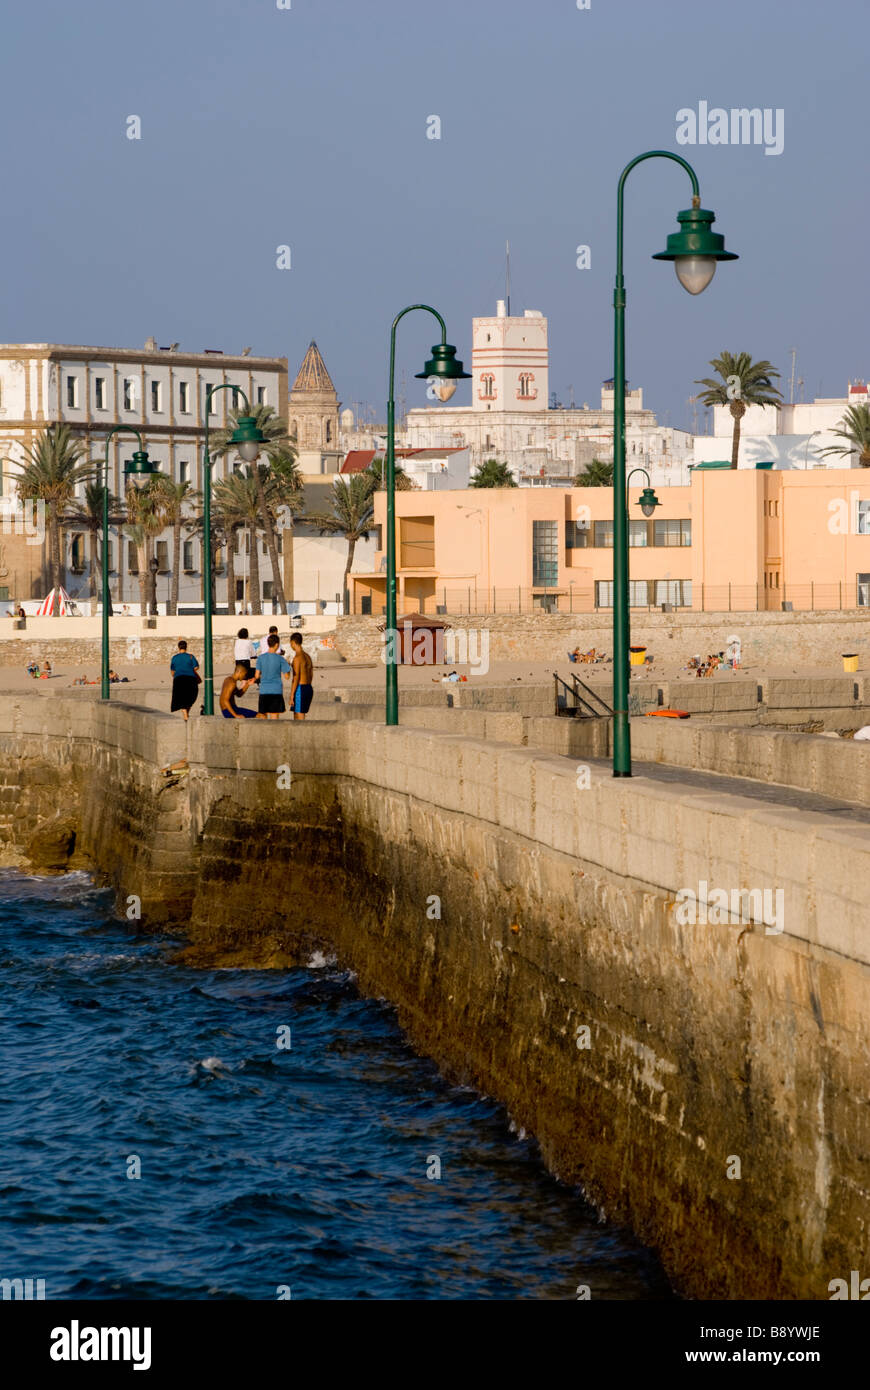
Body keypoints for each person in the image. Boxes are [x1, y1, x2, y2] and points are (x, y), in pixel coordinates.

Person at [254, 634, 292, 719]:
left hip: (264, 690)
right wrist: (288, 667)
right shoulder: (280, 659)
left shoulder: (260, 658)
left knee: (263, 716)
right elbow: (287, 676)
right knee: (274, 719)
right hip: (276, 691)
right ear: (277, 645)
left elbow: (256, 675)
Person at [170, 640, 200, 720]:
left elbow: (172, 671)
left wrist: (176, 675)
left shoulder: (175, 658)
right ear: (186, 647)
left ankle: (185, 715)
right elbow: (196, 667)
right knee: (192, 696)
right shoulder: (190, 656)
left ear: (178, 647)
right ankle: (186, 715)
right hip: (190, 678)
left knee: (180, 698)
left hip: (178, 679)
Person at [288, 631, 314, 720]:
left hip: (300, 688)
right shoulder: (308, 657)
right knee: (297, 714)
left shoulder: (297, 658)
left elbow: (296, 677)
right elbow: (311, 674)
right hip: (308, 687)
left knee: (299, 716)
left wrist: (292, 695)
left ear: (293, 643)